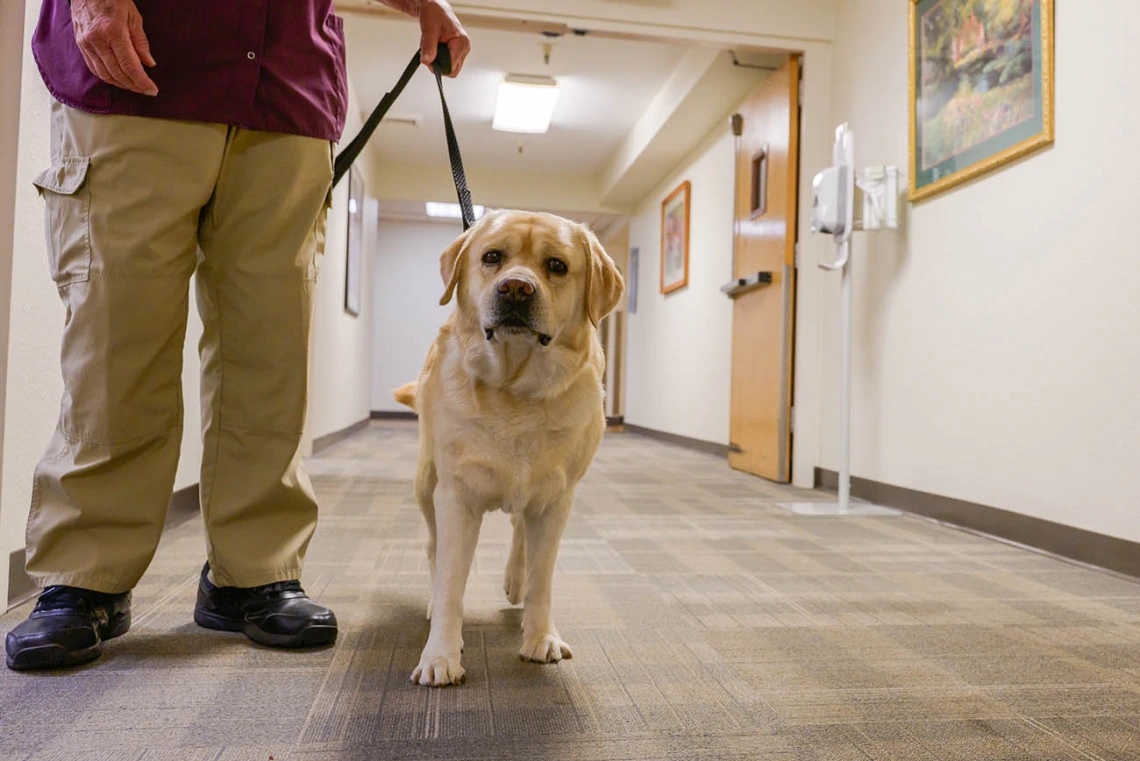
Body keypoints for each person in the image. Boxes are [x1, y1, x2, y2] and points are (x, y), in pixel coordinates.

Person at [5, 0, 470, 671]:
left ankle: (254, 570)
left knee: (270, 352)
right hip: (141, 68)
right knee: (114, 345)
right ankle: (85, 573)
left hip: (286, 88)